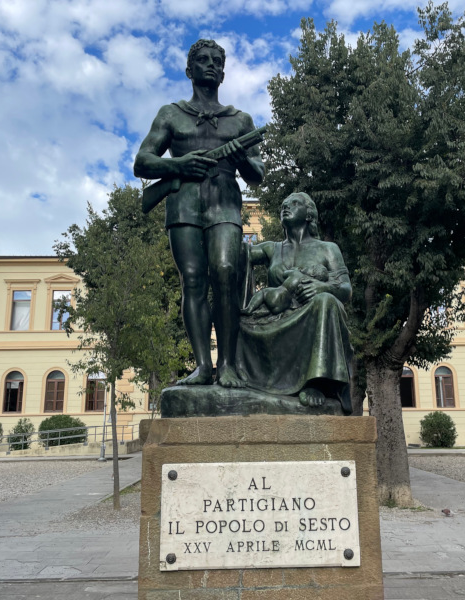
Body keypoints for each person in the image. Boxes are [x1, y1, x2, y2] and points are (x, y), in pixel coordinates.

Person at [133, 39, 265, 388]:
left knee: (225, 271)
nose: (210, 65)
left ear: (223, 72)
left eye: (216, 61)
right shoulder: (170, 114)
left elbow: (258, 174)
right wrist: (179, 164)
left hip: (224, 200)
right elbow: (142, 162)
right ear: (189, 70)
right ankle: (203, 365)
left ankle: (229, 366)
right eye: (202, 60)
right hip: (184, 200)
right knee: (192, 279)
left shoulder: (240, 119)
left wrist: (240, 160)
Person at [237, 192, 354, 413]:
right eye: (283, 204)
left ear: (309, 213)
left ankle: (316, 383)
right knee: (237, 317)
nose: (285, 207)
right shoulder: (273, 248)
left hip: (312, 312)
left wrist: (323, 287)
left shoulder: (328, 249)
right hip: (276, 314)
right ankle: (243, 378)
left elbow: (346, 290)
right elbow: (240, 255)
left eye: (294, 204)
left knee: (325, 302)